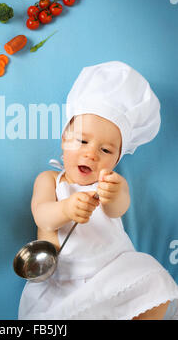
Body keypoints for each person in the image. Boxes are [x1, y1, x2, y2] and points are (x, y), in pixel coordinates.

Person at [18, 61, 178, 320]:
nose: (91, 153)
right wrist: (67, 208)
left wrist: (113, 195)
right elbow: (43, 216)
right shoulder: (49, 180)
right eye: (81, 140)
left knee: (153, 279)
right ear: (63, 139)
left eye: (105, 150)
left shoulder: (111, 184)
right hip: (62, 283)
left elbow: (118, 208)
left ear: (116, 160)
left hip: (113, 272)